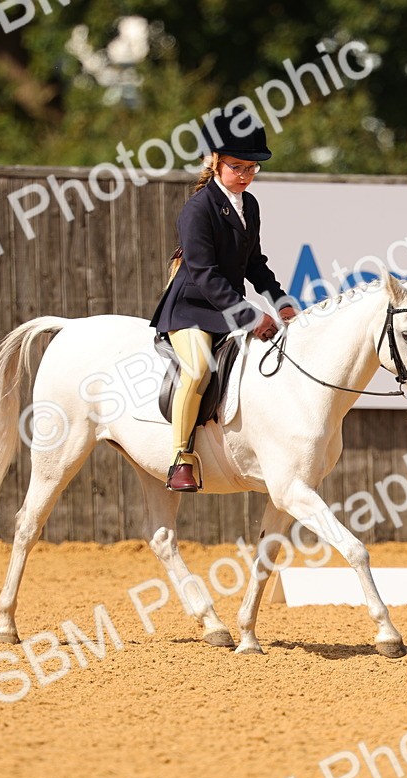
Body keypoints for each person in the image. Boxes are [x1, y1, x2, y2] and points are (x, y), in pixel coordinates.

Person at [149, 109, 298, 492]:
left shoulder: (250, 205)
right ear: (214, 161)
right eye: (237, 167)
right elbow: (205, 274)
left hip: (227, 307)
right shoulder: (198, 209)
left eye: (252, 168)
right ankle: (181, 459)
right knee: (198, 368)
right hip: (191, 309)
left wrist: (280, 300)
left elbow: (254, 263)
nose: (246, 175)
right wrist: (249, 315)